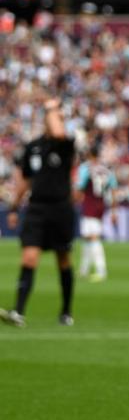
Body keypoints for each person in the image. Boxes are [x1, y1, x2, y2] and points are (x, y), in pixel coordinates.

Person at [1, 98, 76, 328]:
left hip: (61, 208)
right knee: (29, 257)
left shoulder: (65, 144)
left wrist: (52, 108)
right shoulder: (32, 146)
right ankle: (19, 311)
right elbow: (25, 180)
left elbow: (58, 132)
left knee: (62, 259)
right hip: (36, 208)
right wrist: (14, 207)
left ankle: (65, 311)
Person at [75, 144, 117, 282]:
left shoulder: (85, 168)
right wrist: (113, 210)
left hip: (89, 204)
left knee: (93, 237)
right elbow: (113, 189)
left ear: (89, 155)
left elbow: (80, 187)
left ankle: (101, 271)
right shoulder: (106, 170)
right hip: (101, 204)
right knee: (87, 237)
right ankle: (84, 270)